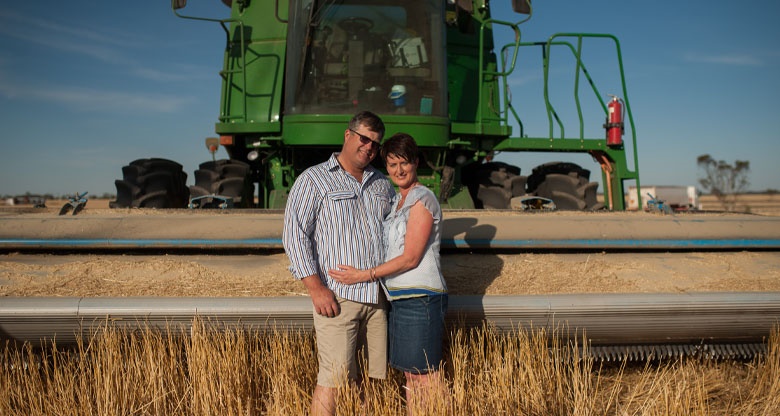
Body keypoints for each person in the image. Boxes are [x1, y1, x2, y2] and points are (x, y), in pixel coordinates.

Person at [283, 111, 395, 416]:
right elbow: (294, 235)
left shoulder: (382, 184)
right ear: (348, 135)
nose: (369, 147)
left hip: (378, 299)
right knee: (332, 380)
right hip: (338, 298)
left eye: (376, 144)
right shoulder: (314, 179)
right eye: (364, 138)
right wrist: (316, 287)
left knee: (373, 382)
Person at [329, 132, 448, 411]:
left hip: (422, 297)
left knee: (426, 375)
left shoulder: (422, 199)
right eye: (392, 165)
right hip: (401, 299)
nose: (398, 170)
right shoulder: (396, 201)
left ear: (416, 162)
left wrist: (363, 275)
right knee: (411, 374)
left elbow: (410, 258)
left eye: (404, 163)